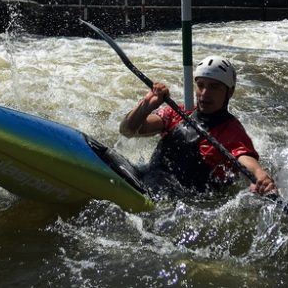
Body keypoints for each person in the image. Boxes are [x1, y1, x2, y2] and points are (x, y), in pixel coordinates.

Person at [119, 55, 278, 195]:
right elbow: (127, 130)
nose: (205, 93)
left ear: (229, 92)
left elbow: (247, 160)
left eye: (214, 87)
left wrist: (260, 176)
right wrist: (147, 105)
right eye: (200, 85)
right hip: (148, 177)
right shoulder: (178, 112)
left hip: (177, 200)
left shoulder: (232, 132)